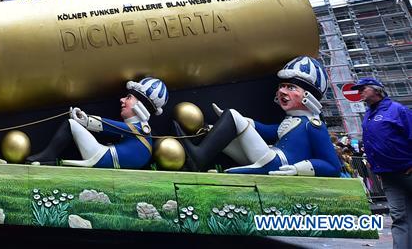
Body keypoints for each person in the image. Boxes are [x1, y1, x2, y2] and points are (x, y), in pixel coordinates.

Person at [176, 56, 341, 177]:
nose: (282, 91)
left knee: (233, 115)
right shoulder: (290, 121)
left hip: (277, 163)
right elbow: (268, 131)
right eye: (282, 86)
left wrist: (298, 169)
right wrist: (229, 125)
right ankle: (197, 160)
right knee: (221, 134)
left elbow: (332, 165)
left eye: (291, 87)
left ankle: (198, 157)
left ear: (308, 96)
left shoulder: (312, 125)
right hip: (268, 157)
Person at [26, 77, 168, 169]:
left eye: (128, 97)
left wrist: (86, 120)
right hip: (108, 156)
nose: (122, 100)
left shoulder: (141, 129)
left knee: (71, 124)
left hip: (103, 158)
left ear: (140, 106)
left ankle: (48, 158)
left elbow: (111, 127)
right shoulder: (140, 130)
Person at [352, 76, 412, 249]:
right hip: (388, 176)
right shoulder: (368, 114)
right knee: (400, 216)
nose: (360, 92)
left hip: (408, 172)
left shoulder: (398, 110)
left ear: (376, 90)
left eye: (363, 89)